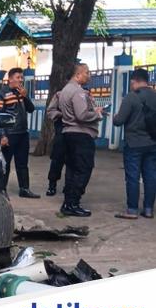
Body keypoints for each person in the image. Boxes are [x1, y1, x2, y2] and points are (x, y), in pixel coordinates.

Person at [59, 63, 104, 217]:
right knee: (83, 168)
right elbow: (82, 115)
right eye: (87, 72)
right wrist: (97, 114)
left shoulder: (65, 90)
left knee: (72, 168)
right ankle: (73, 203)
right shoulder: (77, 91)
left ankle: (68, 203)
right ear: (78, 74)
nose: (89, 75)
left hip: (69, 134)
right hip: (80, 135)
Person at [112, 68, 156, 219]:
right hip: (152, 143)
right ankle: (149, 209)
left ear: (134, 80)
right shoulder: (155, 96)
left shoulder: (131, 97)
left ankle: (132, 210)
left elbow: (118, 121)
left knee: (133, 177)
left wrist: (115, 116)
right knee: (151, 175)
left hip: (134, 144)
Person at [0, 68, 40, 199]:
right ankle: (1, 191)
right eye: (18, 77)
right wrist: (2, 135)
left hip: (23, 133)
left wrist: (26, 97)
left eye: (22, 77)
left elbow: (31, 109)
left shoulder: (22, 93)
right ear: (10, 78)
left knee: (22, 163)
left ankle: (24, 189)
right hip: (9, 134)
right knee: (5, 164)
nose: (21, 80)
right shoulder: (1, 93)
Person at [45, 91, 64, 196]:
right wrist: (62, 114)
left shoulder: (84, 93)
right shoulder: (59, 95)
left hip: (77, 134)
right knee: (56, 161)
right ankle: (52, 185)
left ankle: (70, 188)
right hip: (61, 132)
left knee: (74, 163)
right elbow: (50, 112)